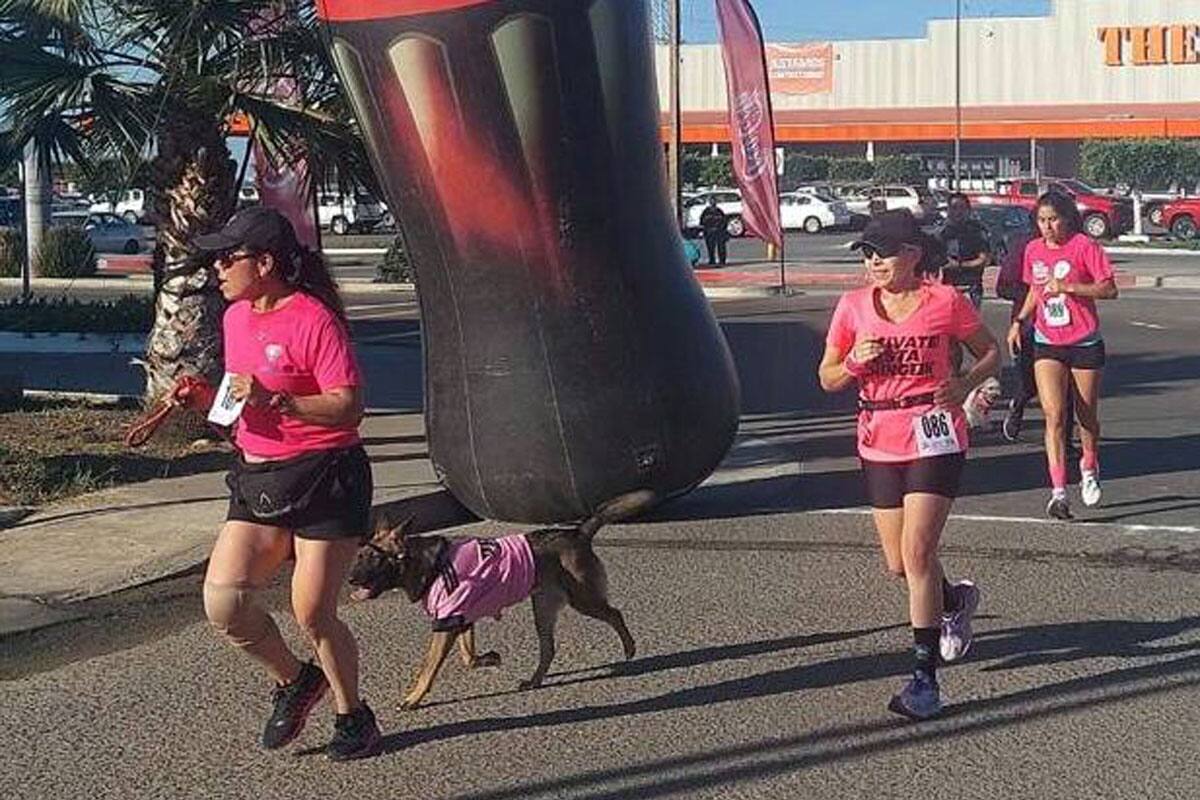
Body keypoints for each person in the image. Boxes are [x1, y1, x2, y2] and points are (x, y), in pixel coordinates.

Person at [196, 206, 380, 760]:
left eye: (229, 257)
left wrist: (279, 399)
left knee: (312, 612)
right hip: (260, 476)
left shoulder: (313, 318)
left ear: (267, 262)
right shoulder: (235, 318)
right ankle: (297, 680)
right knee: (223, 601)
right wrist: (205, 403)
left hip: (326, 476)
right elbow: (237, 394)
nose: (218, 268)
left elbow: (348, 407)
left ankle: (355, 717)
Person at [818, 210, 1000, 720]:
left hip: (934, 432)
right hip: (878, 436)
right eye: (868, 254)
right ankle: (955, 601)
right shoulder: (853, 306)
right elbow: (828, 377)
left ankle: (924, 682)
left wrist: (964, 385)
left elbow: (990, 353)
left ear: (914, 255)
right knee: (899, 564)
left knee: (919, 551)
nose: (875, 262)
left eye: (885, 252)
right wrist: (856, 361)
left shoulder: (945, 301)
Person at [1007, 191, 1118, 520]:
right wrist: (1019, 321)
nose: (1048, 227)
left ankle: (1089, 464)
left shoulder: (1085, 246)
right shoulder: (1033, 250)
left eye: (1053, 219)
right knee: (1054, 414)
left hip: (1083, 340)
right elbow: (1035, 289)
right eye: (1041, 220)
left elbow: (1109, 289)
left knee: (1086, 414)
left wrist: (1069, 287)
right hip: (1047, 340)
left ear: (1067, 218)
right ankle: (1058, 493)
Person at [936, 192, 1000, 428]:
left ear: (968, 209)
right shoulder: (942, 233)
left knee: (973, 340)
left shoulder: (976, 231)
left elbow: (984, 259)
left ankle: (981, 385)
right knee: (949, 344)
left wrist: (959, 265)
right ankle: (952, 386)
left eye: (961, 208)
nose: (956, 212)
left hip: (969, 289)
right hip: (947, 291)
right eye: (953, 208)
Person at [699, 197, 729, 266]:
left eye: (714, 201)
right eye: (711, 201)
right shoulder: (706, 211)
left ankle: (722, 261)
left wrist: (721, 228)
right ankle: (712, 260)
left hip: (719, 231)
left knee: (721, 247)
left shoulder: (719, 211)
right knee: (710, 247)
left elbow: (724, 221)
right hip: (709, 231)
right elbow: (702, 221)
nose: (713, 203)